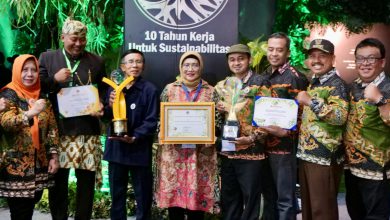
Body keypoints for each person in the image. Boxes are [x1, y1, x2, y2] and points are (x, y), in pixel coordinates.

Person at [39, 18, 106, 220]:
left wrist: (103, 105)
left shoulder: (97, 61)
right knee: (58, 183)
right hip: (58, 131)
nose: (78, 43)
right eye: (74, 39)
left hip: (88, 131)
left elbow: (104, 90)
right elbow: (35, 89)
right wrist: (54, 80)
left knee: (86, 185)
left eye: (82, 39)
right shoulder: (48, 58)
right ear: (63, 37)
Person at [155, 51, 221, 220]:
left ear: (201, 67)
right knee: (174, 203)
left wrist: (210, 132)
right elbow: (160, 119)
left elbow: (218, 123)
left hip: (201, 155)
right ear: (181, 67)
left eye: (195, 65)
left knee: (197, 201)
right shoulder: (170, 90)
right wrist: (163, 131)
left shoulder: (211, 92)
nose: (190, 69)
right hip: (173, 154)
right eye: (186, 65)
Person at [0, 54, 59, 220]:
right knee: (20, 213)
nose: (29, 74)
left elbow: (52, 129)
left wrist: (54, 156)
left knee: (30, 208)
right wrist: (31, 113)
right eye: (24, 70)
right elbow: (7, 123)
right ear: (17, 71)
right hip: (15, 166)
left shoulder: (41, 97)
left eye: (33, 70)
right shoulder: (8, 95)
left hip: (40, 165)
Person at [215, 44, 271, 220]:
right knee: (229, 200)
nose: (236, 63)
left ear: (249, 60)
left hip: (251, 152)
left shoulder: (260, 83)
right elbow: (215, 119)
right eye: (232, 59)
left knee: (252, 200)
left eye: (241, 59)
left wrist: (252, 138)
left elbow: (268, 118)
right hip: (228, 151)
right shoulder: (223, 86)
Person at [296, 39, 349, 220]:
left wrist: (310, 102)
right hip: (308, 156)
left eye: (322, 56)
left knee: (322, 211)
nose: (316, 60)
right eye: (312, 56)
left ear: (333, 59)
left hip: (325, 158)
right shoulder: (315, 82)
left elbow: (340, 117)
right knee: (309, 210)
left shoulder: (337, 84)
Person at [103, 49, 158, 220]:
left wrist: (135, 136)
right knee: (117, 196)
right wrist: (109, 106)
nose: (135, 65)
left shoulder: (150, 90)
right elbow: (105, 117)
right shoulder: (112, 89)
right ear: (123, 67)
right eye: (130, 62)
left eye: (139, 62)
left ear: (143, 66)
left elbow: (152, 120)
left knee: (143, 197)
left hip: (139, 149)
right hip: (116, 149)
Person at [261, 32, 309, 220]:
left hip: (284, 149)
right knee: (270, 197)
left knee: (285, 200)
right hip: (264, 146)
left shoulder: (295, 77)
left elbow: (303, 115)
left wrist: (287, 131)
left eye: (279, 50)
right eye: (271, 49)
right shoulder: (264, 74)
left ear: (287, 53)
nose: (274, 53)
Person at [344, 38, 390, 220]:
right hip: (352, 168)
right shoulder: (353, 86)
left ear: (382, 62)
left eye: (371, 58)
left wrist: (380, 100)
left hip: (377, 172)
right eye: (360, 59)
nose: (365, 63)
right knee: (355, 213)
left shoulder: (387, 87)